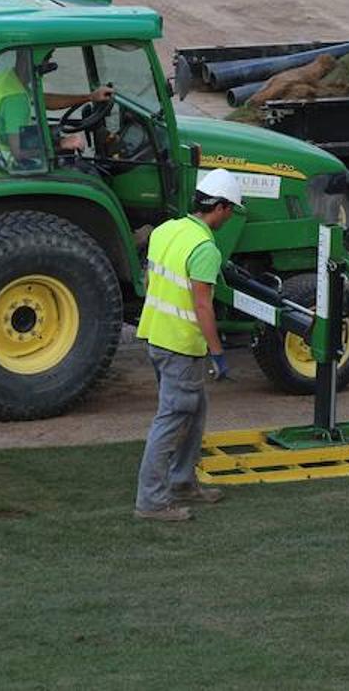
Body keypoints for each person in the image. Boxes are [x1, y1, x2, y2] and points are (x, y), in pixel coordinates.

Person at [133, 168, 244, 522]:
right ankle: (151, 502)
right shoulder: (204, 248)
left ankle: (182, 481)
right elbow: (202, 305)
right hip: (181, 344)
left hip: (156, 335)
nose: (230, 218)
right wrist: (219, 353)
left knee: (194, 411)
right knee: (171, 419)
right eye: (231, 211)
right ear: (221, 208)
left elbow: (151, 278)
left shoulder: (166, 230)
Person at [0, 50, 114, 163]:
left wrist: (90, 97)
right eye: (46, 58)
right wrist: (62, 144)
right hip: (9, 159)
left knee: (55, 134)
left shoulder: (7, 78)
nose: (48, 64)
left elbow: (44, 100)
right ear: (31, 59)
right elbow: (19, 153)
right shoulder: (15, 100)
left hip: (1, 143)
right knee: (83, 171)